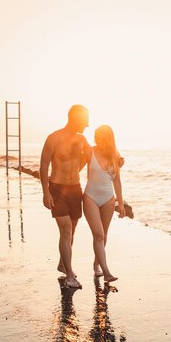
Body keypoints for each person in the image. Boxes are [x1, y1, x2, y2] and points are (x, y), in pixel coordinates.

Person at [40, 105, 89, 289]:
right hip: (58, 189)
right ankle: (69, 275)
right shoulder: (54, 138)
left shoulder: (82, 140)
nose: (88, 124)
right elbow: (43, 166)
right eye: (85, 119)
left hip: (75, 189)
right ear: (76, 118)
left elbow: (93, 157)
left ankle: (63, 264)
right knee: (66, 230)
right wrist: (46, 192)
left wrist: (117, 162)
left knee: (71, 231)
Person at [82, 125, 125, 283]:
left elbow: (117, 181)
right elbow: (76, 168)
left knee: (103, 235)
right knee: (98, 234)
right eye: (96, 136)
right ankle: (106, 273)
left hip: (108, 199)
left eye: (101, 136)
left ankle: (96, 264)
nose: (97, 139)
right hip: (90, 197)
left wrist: (120, 203)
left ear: (108, 138)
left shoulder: (116, 156)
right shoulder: (89, 151)